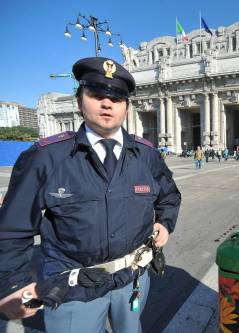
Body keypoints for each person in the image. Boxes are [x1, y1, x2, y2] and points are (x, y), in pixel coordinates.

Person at [0, 57, 182, 332]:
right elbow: (13, 228)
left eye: (117, 98)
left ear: (126, 107)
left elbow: (169, 196)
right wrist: (14, 283)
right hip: (72, 287)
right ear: (79, 101)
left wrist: (165, 223)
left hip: (132, 278)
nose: (107, 104)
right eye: (96, 95)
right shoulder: (46, 158)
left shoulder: (146, 155)